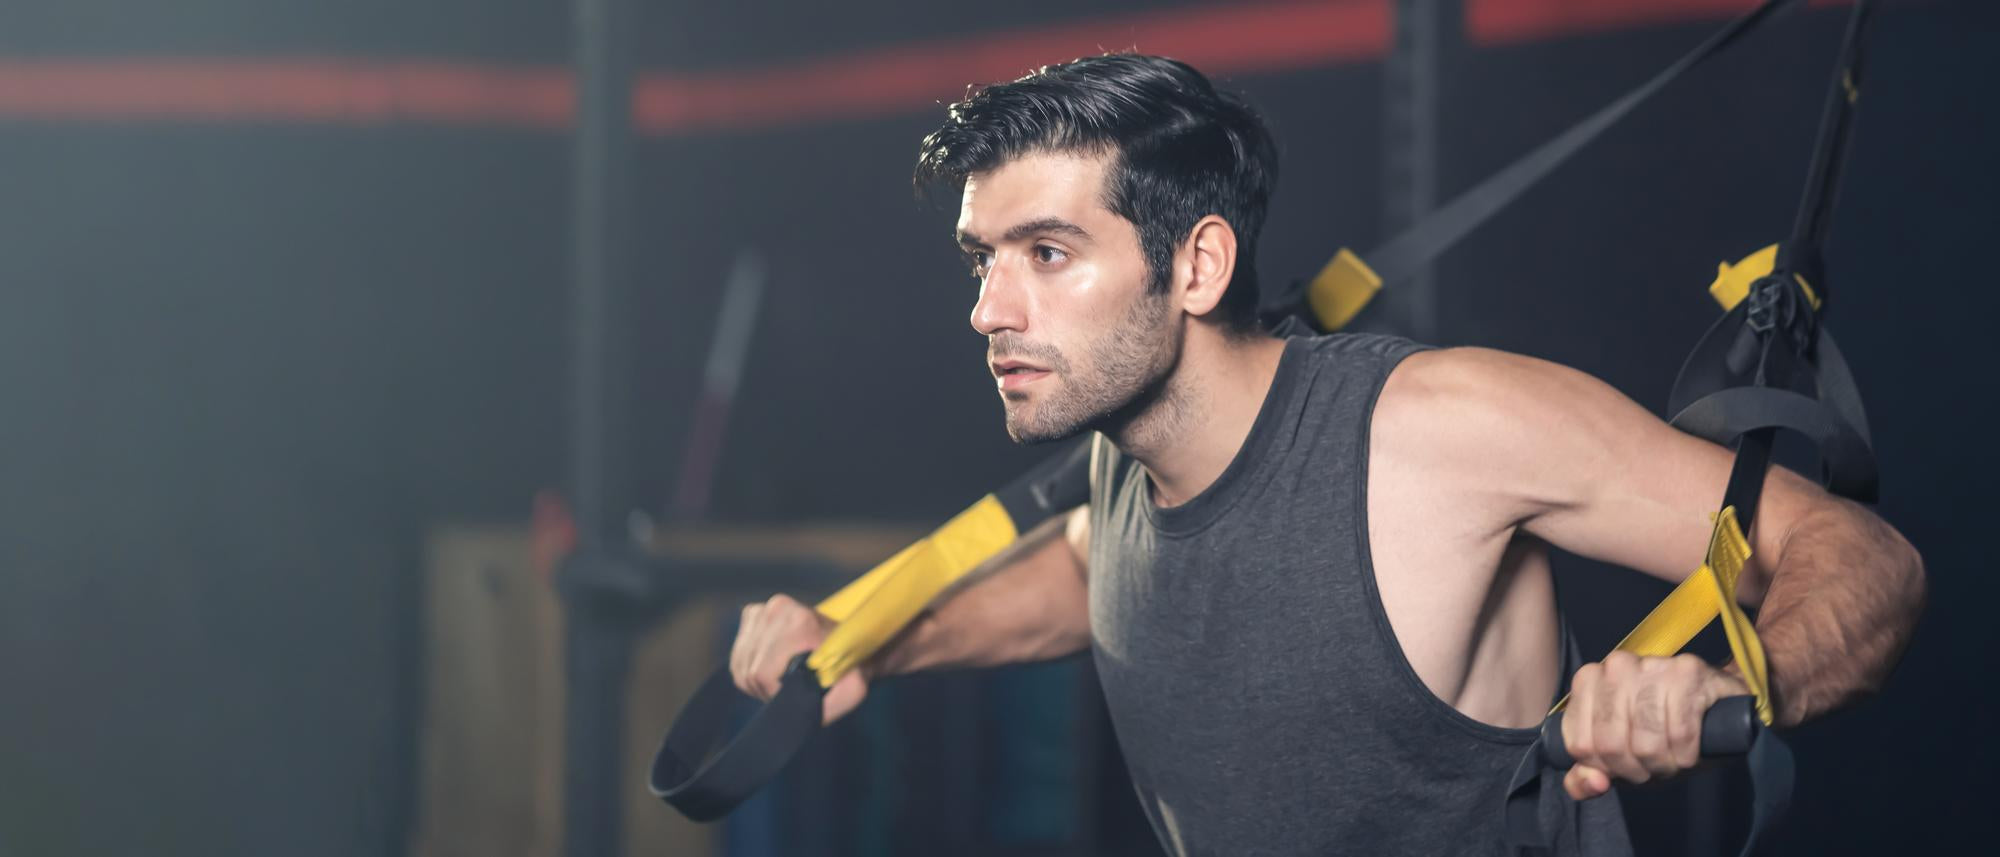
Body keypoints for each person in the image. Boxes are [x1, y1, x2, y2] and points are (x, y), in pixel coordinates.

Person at [726, 54, 1925, 855]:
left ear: (1193, 266)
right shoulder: (1123, 447)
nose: (989, 308)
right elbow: (1096, 570)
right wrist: (872, 643)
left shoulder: (1435, 429)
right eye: (980, 259)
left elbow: (1856, 553)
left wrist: (1728, 681)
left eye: (1045, 252)